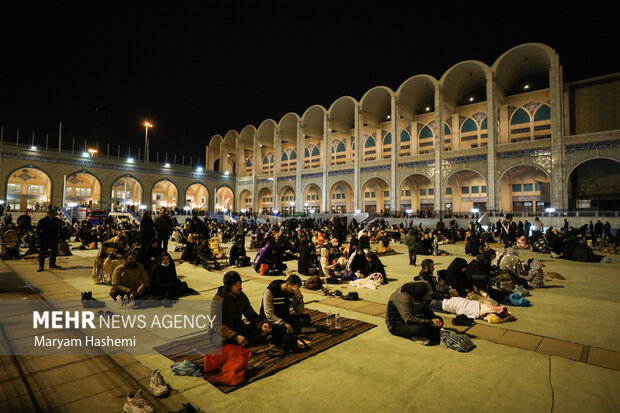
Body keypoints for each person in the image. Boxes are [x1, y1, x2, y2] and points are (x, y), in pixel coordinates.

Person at [212, 271, 272, 347]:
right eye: (235, 284)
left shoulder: (241, 297)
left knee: (263, 330)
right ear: (229, 287)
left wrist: (261, 324)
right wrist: (235, 336)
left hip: (237, 328)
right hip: (221, 332)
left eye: (240, 283)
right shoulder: (218, 299)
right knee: (223, 342)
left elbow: (251, 315)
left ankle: (243, 342)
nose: (239, 286)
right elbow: (216, 324)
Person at [386, 280, 443, 345]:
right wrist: (430, 322)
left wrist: (434, 318)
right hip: (397, 324)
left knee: (439, 319)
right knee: (422, 329)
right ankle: (416, 335)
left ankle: (428, 332)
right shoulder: (403, 298)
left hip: (413, 317)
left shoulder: (426, 285)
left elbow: (424, 306)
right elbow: (409, 320)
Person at [260, 274, 311, 339]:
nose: (293, 291)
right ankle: (298, 330)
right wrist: (284, 324)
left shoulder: (292, 292)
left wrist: (300, 298)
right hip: (272, 320)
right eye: (292, 289)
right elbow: (269, 314)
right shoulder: (270, 291)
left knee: (306, 318)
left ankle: (292, 330)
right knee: (274, 329)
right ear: (287, 284)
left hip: (284, 317)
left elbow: (299, 312)